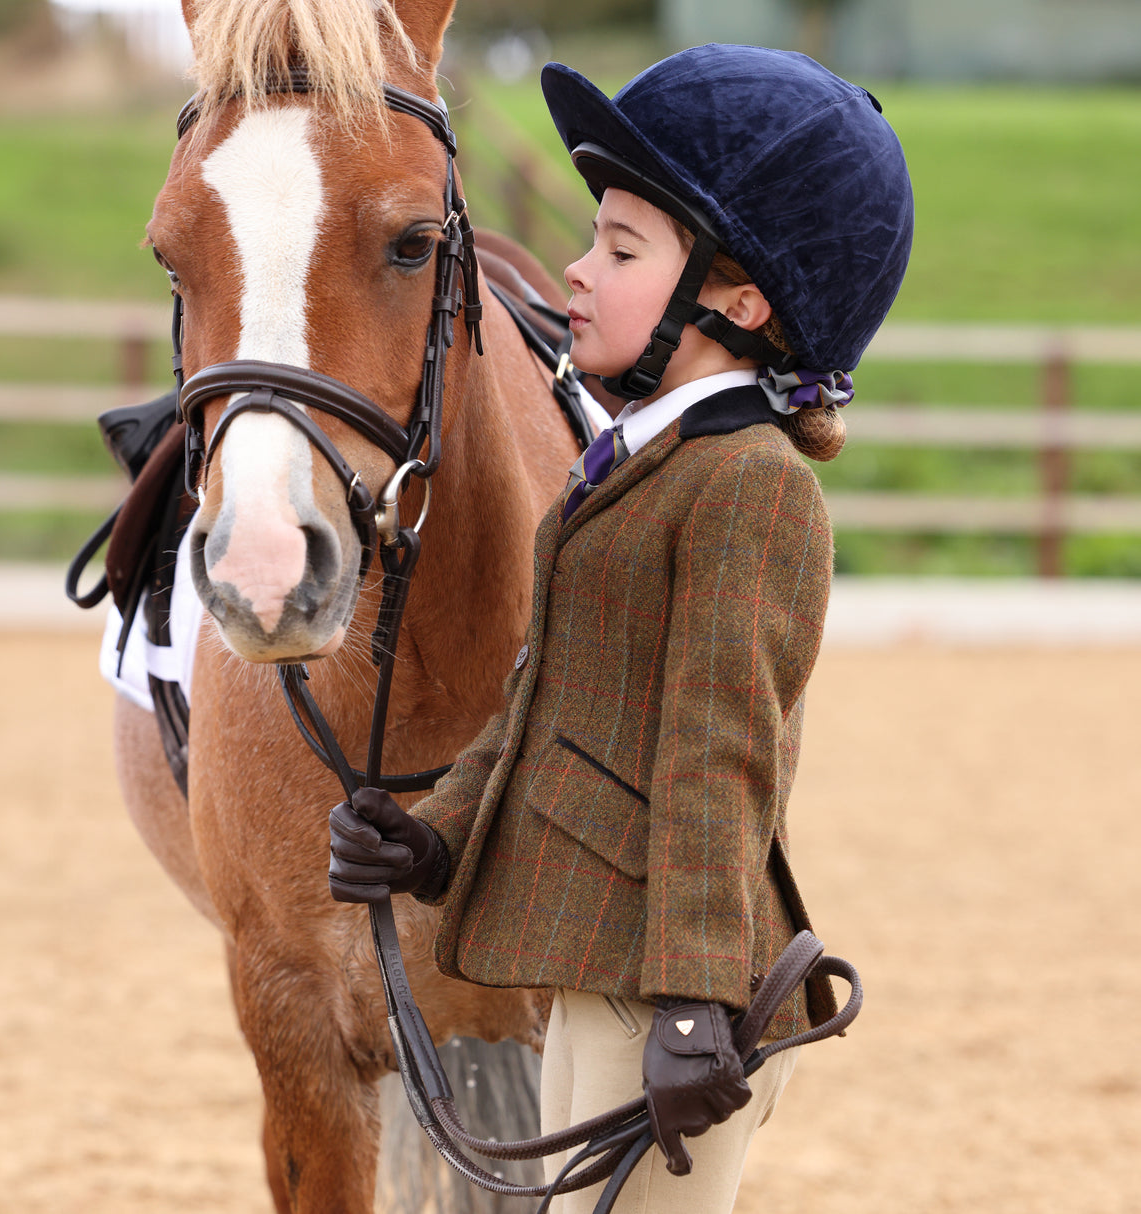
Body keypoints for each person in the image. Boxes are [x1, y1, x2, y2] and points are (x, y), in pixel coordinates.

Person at [328, 43, 913, 1213]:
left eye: (619, 247)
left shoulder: (747, 483)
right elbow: (550, 700)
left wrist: (694, 998)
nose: (573, 269)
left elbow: (719, 755)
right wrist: (434, 836)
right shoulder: (641, 463)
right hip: (607, 965)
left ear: (736, 301)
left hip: (660, 978)